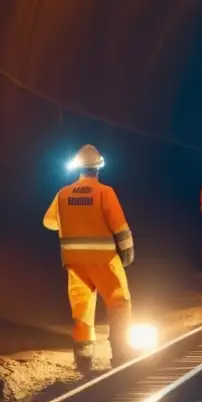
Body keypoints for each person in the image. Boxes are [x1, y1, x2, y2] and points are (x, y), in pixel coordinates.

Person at [43, 144, 135, 373]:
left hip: (75, 263)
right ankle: (122, 355)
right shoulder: (104, 192)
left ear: (78, 167)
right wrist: (127, 250)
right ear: (98, 167)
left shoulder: (63, 194)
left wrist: (72, 221)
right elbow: (120, 226)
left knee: (81, 312)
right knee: (119, 303)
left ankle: (84, 362)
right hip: (104, 259)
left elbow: (49, 222)